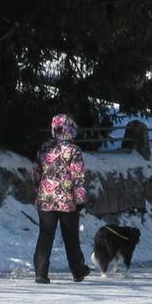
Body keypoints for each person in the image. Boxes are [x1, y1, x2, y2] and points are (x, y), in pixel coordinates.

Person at [32, 114, 91, 284]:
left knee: (45, 235)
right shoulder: (73, 151)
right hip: (67, 200)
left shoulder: (44, 148)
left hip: (45, 199)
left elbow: (35, 172)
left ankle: (41, 273)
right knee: (71, 237)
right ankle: (78, 270)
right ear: (69, 128)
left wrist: (39, 189)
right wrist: (80, 200)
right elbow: (78, 177)